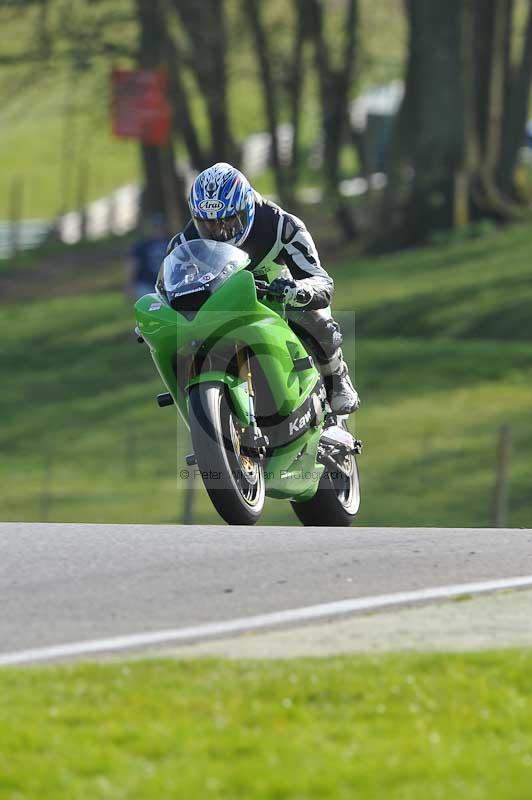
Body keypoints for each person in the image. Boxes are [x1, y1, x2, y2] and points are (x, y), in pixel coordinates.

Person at [167, 163, 360, 415]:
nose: (218, 231)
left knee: (319, 321)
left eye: (227, 220)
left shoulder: (282, 226)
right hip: (223, 309)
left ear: (247, 208)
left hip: (278, 301)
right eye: (208, 224)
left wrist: (296, 290)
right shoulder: (184, 243)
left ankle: (336, 377)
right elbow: (169, 289)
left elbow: (322, 282)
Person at [128, 213, 169, 299]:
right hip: (146, 283)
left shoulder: (170, 243)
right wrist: (129, 285)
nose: (158, 230)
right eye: (155, 227)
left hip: (166, 283)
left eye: (160, 227)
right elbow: (133, 266)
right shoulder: (142, 245)